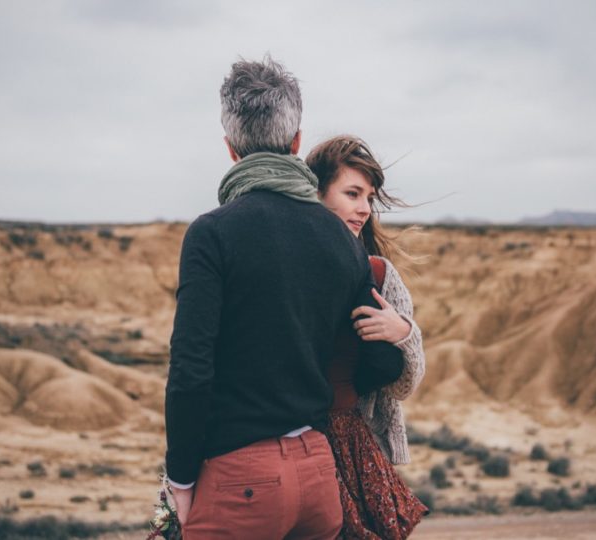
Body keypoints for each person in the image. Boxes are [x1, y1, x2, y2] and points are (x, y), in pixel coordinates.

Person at [162, 57, 405, 540]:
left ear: (231, 148)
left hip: (238, 479)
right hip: (319, 475)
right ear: (295, 142)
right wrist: (400, 333)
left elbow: (191, 370)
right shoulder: (339, 239)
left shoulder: (211, 234)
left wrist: (180, 480)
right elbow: (379, 366)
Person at [306, 136, 428, 539]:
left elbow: (406, 385)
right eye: (352, 193)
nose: (364, 208)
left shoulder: (380, 275)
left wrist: (404, 334)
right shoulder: (291, 266)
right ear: (317, 193)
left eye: (369, 197)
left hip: (361, 450)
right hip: (293, 445)